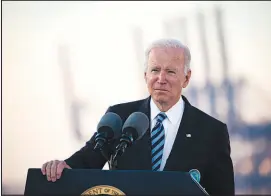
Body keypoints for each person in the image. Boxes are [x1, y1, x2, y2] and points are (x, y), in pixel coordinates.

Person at [41, 38, 235, 195]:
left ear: (187, 78)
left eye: (170, 72)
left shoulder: (212, 131)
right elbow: (89, 157)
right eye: (155, 70)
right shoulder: (118, 117)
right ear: (145, 75)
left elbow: (222, 191)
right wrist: (62, 166)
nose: (161, 79)